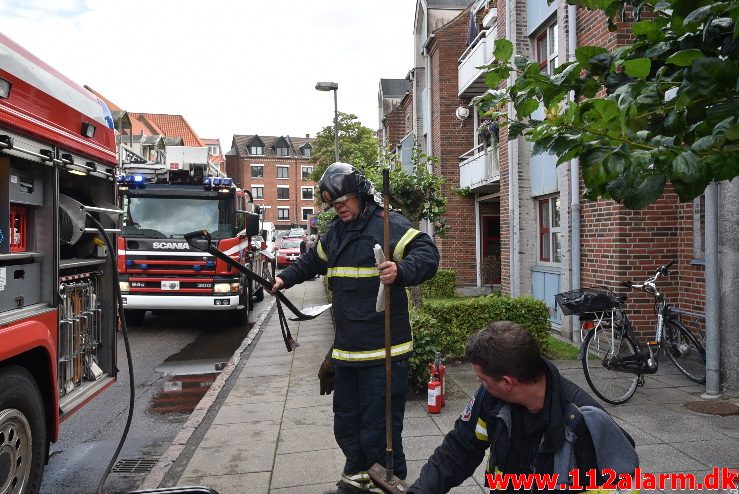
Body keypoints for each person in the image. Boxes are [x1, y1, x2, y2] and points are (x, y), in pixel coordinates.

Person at [270, 162, 440, 494]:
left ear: (360, 194)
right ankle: (356, 479)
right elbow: (312, 262)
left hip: (384, 351)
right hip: (347, 351)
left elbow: (427, 253)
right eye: (334, 204)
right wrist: (283, 278)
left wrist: (401, 271)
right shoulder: (334, 233)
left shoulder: (387, 226)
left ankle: (387, 485)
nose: (340, 207)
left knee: (381, 431)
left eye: (344, 200)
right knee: (346, 423)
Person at [408, 321, 639, 494]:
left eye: (483, 380)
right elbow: (459, 449)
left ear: (507, 383)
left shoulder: (584, 424)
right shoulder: (490, 398)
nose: (480, 385)